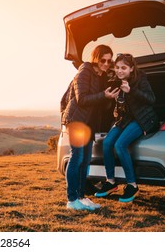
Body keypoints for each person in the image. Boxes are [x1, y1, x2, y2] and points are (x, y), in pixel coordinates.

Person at [61, 45, 119, 211]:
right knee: (77, 158)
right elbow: (82, 99)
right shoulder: (85, 71)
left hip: (88, 124)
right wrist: (103, 95)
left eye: (109, 60)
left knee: (85, 161)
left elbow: (100, 103)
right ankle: (72, 200)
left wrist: (109, 98)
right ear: (95, 58)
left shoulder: (100, 75)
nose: (106, 63)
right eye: (103, 60)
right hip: (77, 121)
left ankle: (81, 197)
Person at [94, 53, 158, 202]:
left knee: (120, 145)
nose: (119, 71)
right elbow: (121, 105)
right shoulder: (116, 82)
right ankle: (110, 182)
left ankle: (132, 185)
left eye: (123, 68)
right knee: (107, 143)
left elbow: (151, 99)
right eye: (117, 67)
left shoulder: (140, 79)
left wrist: (131, 91)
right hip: (124, 119)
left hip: (142, 119)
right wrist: (113, 104)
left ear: (131, 69)